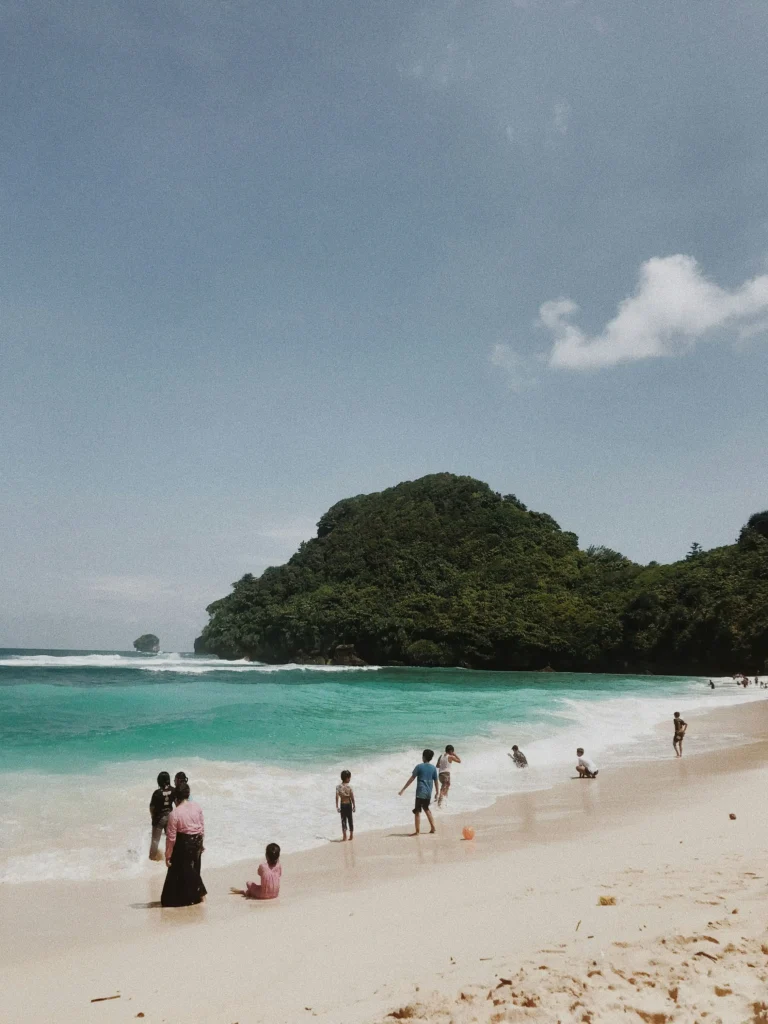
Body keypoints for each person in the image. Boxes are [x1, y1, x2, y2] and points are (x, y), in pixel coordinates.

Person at [160, 783, 206, 907]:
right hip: (197, 841)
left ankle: (201, 894)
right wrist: (201, 844)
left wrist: (168, 855)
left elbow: (171, 838)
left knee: (187, 870)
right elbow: (201, 828)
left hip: (184, 845)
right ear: (188, 794)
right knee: (194, 869)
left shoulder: (174, 814)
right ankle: (195, 896)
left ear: (176, 798)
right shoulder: (197, 807)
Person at [399, 749, 439, 835]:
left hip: (420, 792)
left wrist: (403, 789)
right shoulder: (433, 768)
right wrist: (437, 792)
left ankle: (417, 831)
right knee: (426, 809)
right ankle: (433, 827)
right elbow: (436, 781)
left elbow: (412, 778)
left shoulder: (419, 767)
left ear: (424, 757)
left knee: (417, 811)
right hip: (428, 792)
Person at [148, 771, 175, 861]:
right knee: (170, 840)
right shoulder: (173, 790)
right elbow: (177, 803)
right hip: (170, 817)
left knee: (155, 841)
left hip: (159, 818)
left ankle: (152, 860)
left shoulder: (157, 793)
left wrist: (153, 817)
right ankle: (171, 858)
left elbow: (152, 807)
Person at [335, 770, 356, 841]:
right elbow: (352, 797)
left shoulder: (338, 787)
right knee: (350, 820)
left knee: (343, 820)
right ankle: (351, 836)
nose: (350, 779)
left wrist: (337, 806)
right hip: (349, 805)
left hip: (342, 805)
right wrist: (354, 805)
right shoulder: (349, 787)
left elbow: (337, 797)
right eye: (349, 778)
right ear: (347, 778)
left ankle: (344, 836)